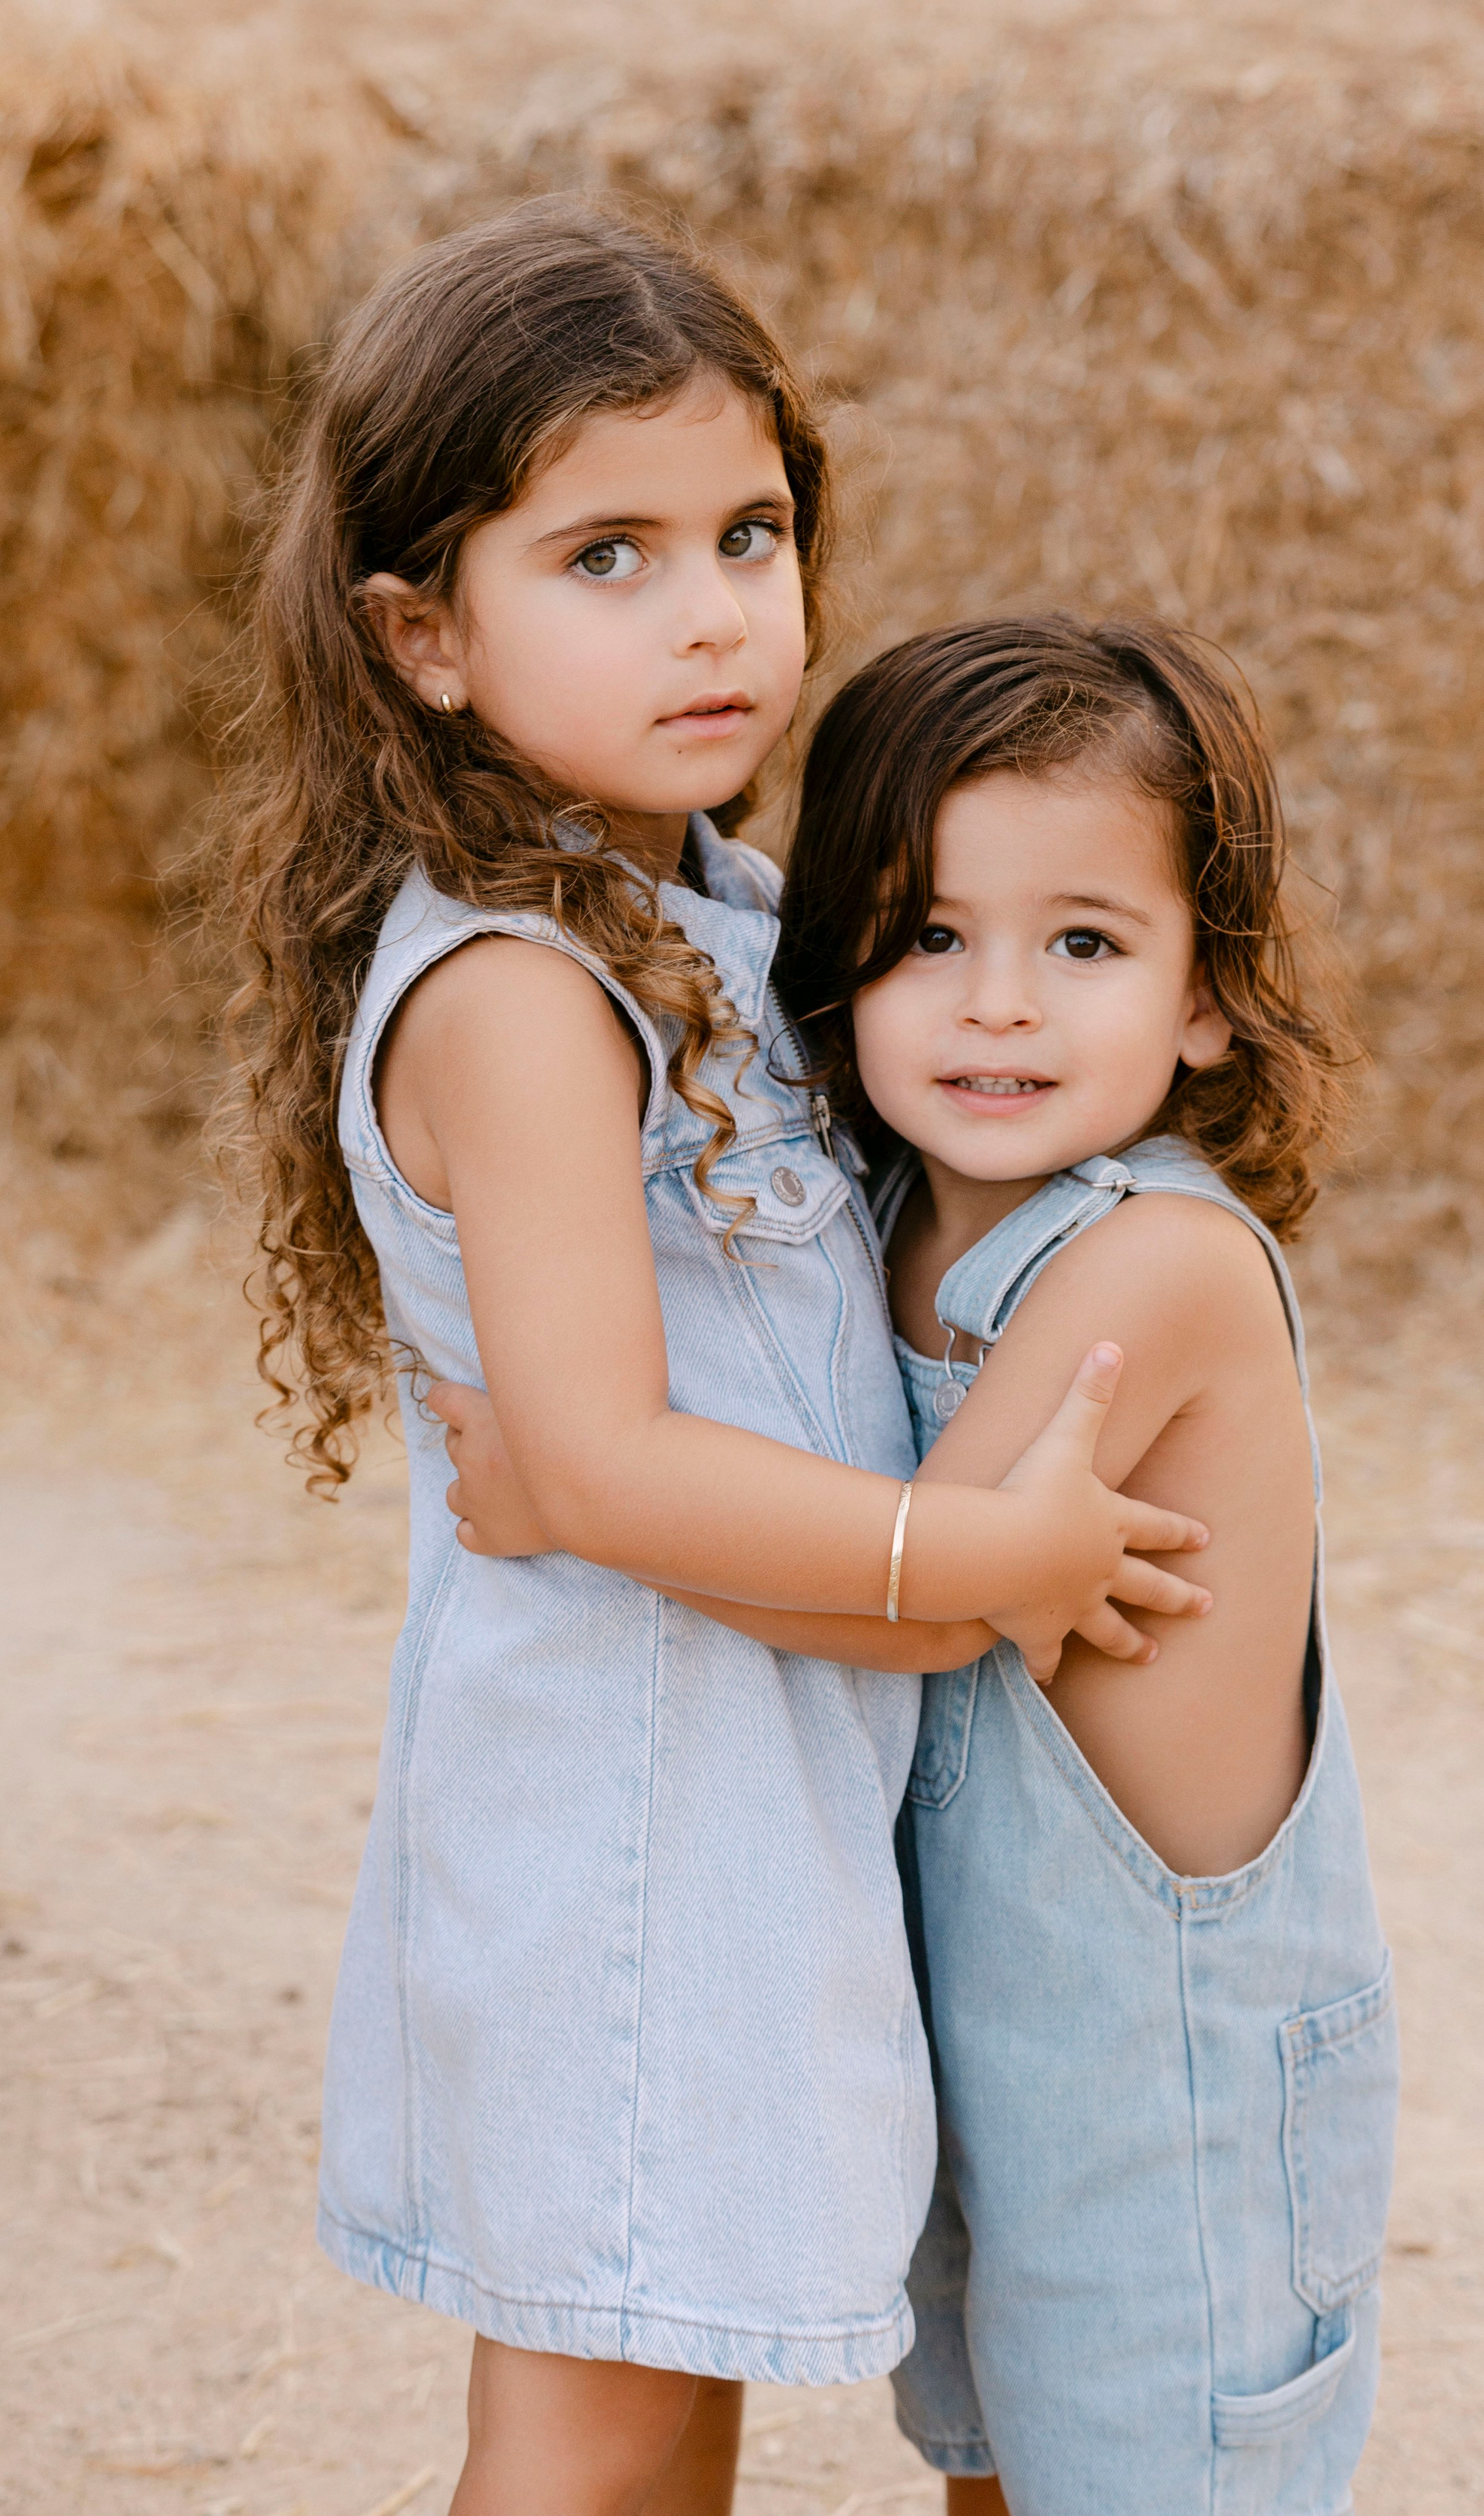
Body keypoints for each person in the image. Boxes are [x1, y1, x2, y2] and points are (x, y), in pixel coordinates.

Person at [221, 201, 1212, 2516]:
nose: (711, 611)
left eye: (751, 534)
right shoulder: (514, 995)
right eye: (605, 555)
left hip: (756, 1806)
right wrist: (981, 1551)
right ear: (422, 634)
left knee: (681, 2395)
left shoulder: (723, 922)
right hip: (626, 1837)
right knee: (591, 2438)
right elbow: (602, 1460)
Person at [447, 611, 1399, 2516]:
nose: (998, 1007)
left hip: (1174, 2099)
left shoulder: (1157, 1265)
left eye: (1085, 944)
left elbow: (932, 1595)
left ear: (1209, 995)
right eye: (929, 936)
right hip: (981, 2062)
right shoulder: (872, 1222)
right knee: (997, 2467)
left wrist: (587, 1499)